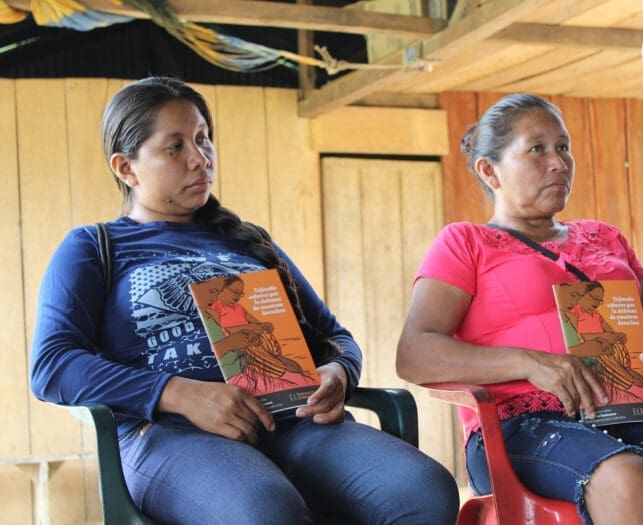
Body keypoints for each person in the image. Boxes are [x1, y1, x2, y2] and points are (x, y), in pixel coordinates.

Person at [30, 76, 459, 525]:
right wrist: (178, 394)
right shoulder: (94, 248)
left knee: (424, 490)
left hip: (292, 419)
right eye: (174, 147)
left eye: (202, 139)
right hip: (171, 435)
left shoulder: (250, 241)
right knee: (266, 512)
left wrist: (337, 371)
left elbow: (333, 337)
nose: (200, 159)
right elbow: (53, 365)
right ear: (126, 167)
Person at [395, 93, 643, 525]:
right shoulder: (465, 244)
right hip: (522, 426)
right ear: (489, 170)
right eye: (537, 149)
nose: (558, 162)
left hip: (631, 412)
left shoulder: (605, 238)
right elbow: (414, 354)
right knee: (624, 474)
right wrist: (531, 363)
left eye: (563, 147)